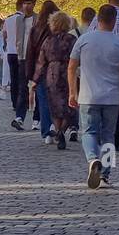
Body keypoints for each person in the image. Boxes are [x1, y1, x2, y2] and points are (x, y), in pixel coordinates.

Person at [68, 3, 119, 189]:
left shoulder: (84, 40)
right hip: (112, 97)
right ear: (114, 20)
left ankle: (92, 159)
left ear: (98, 19)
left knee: (88, 132)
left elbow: (71, 66)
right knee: (108, 136)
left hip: (88, 95)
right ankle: (105, 175)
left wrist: (73, 91)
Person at [32, 11, 76, 150]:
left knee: (55, 107)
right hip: (68, 72)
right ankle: (62, 131)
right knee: (70, 106)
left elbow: (41, 62)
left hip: (51, 74)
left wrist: (35, 80)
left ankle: (58, 131)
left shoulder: (48, 40)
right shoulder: (71, 39)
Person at [26, 0, 59, 140]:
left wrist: (30, 74)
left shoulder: (35, 28)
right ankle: (56, 126)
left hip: (39, 68)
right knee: (57, 99)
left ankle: (46, 132)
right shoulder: (59, 29)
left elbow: (30, 52)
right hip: (57, 68)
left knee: (43, 100)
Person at [4, 0, 36, 129]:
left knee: (37, 88)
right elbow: (17, 38)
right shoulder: (18, 20)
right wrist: (18, 52)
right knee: (22, 88)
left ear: (34, 4)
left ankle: (37, 119)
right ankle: (19, 117)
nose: (27, 6)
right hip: (22, 56)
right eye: (25, 4)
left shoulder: (38, 19)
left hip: (34, 57)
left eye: (29, 3)